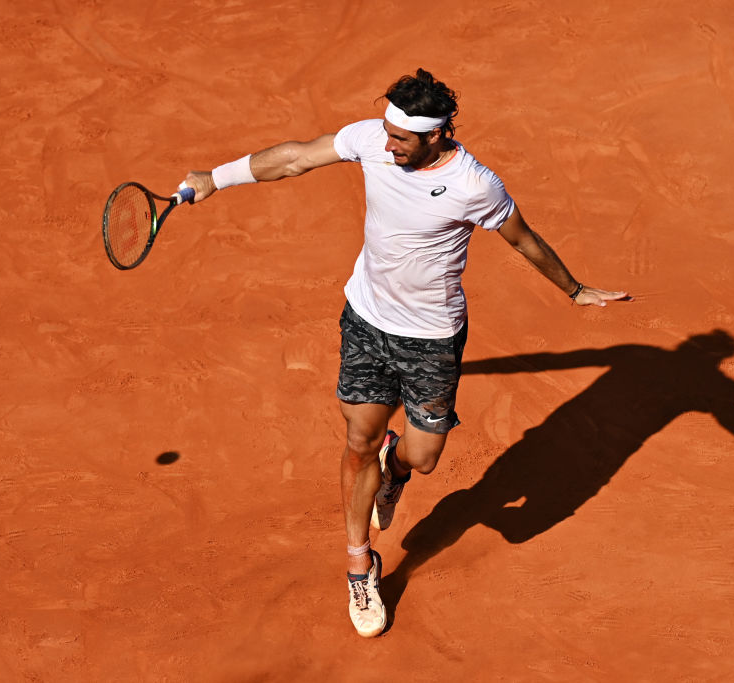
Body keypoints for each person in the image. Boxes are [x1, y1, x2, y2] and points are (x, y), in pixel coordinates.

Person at [180, 68, 629, 638]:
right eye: (387, 132)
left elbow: (522, 238)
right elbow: (295, 158)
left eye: (400, 139)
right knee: (357, 443)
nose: (387, 144)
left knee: (424, 457)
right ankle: (359, 564)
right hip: (366, 322)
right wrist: (216, 178)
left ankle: (396, 469)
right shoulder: (374, 139)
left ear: (435, 135)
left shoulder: (474, 185)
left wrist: (574, 289)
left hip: (432, 339)